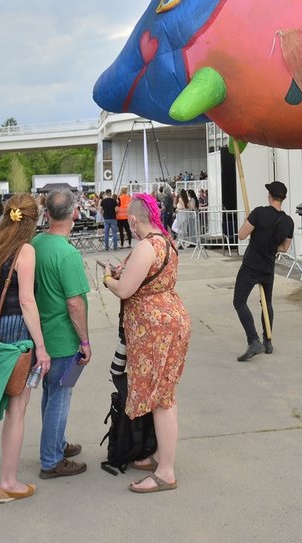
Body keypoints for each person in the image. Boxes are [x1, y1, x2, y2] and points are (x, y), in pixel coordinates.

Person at [101, 193, 190, 493]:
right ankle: (159, 457)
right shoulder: (167, 241)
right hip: (172, 320)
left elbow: (125, 290)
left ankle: (165, 471)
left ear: (135, 219)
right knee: (164, 393)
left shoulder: (145, 246)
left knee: (161, 398)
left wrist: (107, 280)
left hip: (154, 329)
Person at [0, 194, 52, 504]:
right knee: (17, 407)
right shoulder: (25, 250)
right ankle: (8, 482)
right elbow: (27, 300)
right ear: (33, 220)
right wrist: (41, 347)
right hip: (18, 332)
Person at [31, 190, 91, 480]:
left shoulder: (36, 243)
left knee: (51, 393)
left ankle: (56, 444)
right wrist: (85, 341)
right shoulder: (68, 254)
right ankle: (51, 459)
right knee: (61, 396)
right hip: (64, 339)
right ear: (74, 212)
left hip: (41, 336)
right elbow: (74, 302)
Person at [233, 181, 294, 362]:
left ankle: (254, 340)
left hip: (251, 265)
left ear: (269, 196)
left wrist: (247, 223)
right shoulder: (288, 221)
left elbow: (242, 235)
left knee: (239, 301)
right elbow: (284, 248)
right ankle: (268, 341)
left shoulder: (259, 213)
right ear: (283, 199)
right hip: (268, 267)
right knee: (266, 303)